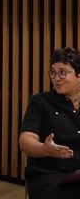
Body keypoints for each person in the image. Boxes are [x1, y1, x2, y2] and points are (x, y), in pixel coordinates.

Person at [19, 47, 80, 199]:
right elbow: (25, 141)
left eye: (63, 72)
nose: (56, 78)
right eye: (53, 72)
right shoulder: (40, 102)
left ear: (79, 75)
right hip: (48, 175)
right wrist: (45, 149)